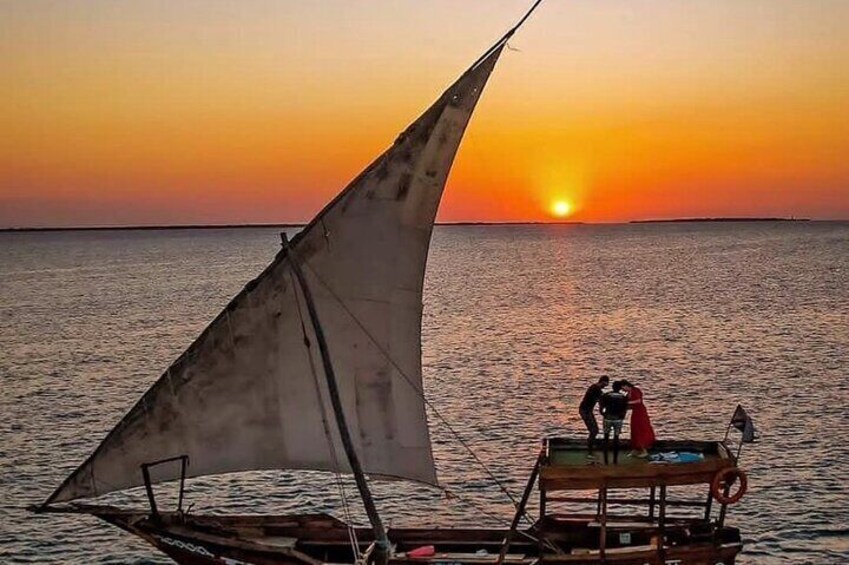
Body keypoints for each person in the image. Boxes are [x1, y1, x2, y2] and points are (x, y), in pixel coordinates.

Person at [621, 380, 655, 457]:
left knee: (640, 430)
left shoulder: (636, 390)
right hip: (635, 412)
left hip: (641, 413)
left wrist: (627, 403)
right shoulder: (628, 394)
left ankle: (644, 450)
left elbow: (638, 401)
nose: (622, 390)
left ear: (626, 385)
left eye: (622, 387)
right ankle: (635, 449)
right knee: (634, 429)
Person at [599, 380, 629, 464]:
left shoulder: (606, 395)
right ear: (620, 388)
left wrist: (603, 413)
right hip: (618, 419)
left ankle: (606, 460)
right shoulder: (623, 397)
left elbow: (601, 406)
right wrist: (622, 416)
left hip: (607, 417)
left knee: (606, 437)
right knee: (616, 438)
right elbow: (625, 409)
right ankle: (615, 460)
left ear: (612, 387)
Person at [579, 376, 609, 457]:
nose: (606, 385)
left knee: (594, 430)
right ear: (602, 381)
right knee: (594, 430)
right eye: (606, 384)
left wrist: (601, 411)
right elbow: (603, 398)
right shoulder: (595, 388)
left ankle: (590, 447)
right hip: (585, 411)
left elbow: (600, 401)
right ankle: (589, 451)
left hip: (588, 411)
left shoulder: (597, 390)